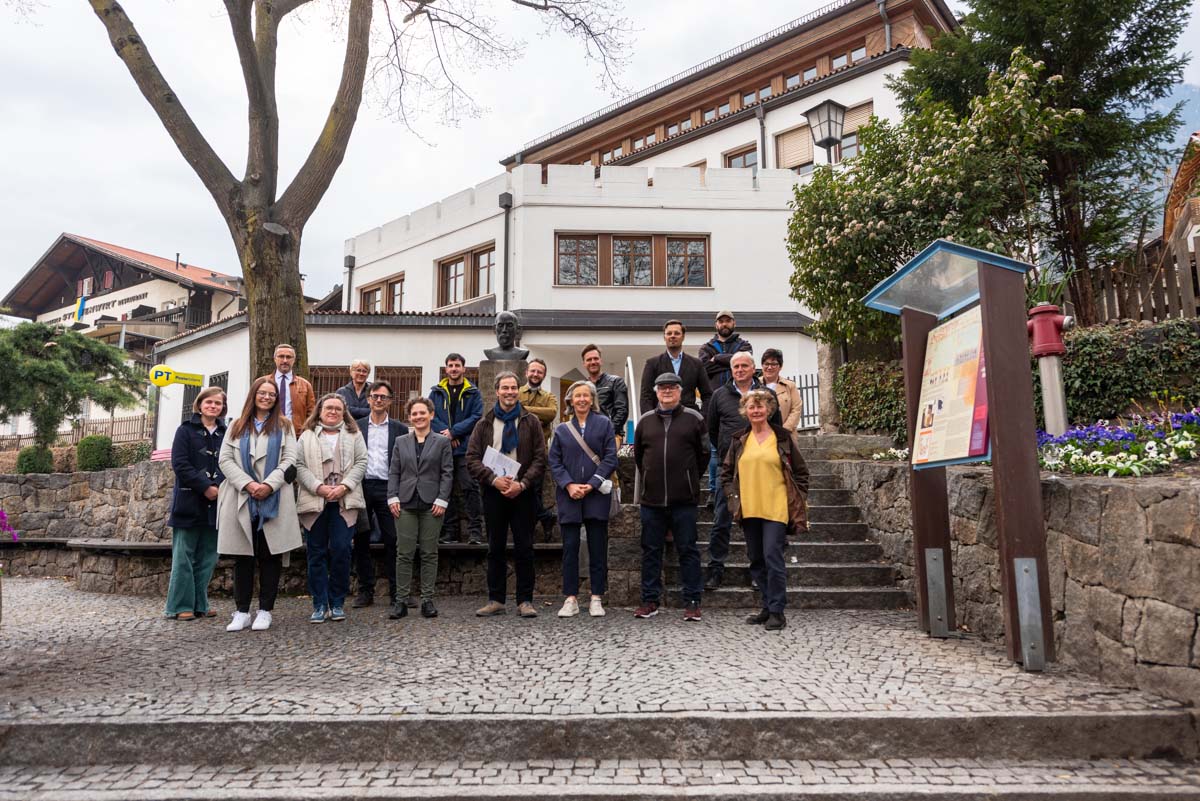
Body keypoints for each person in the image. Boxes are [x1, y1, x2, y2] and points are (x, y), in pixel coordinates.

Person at [720, 390, 809, 631]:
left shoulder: (782, 437)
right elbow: (726, 473)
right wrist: (732, 498)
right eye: (751, 407)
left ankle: (778, 611)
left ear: (769, 410)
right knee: (756, 559)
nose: (756, 411)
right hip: (749, 508)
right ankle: (767, 606)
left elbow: (801, 472)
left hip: (776, 507)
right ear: (745, 411)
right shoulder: (740, 440)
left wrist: (797, 497)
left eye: (760, 407)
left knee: (773, 557)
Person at [217, 377, 301, 632]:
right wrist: (249, 484)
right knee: (242, 556)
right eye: (262, 393)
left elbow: (290, 459)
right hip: (242, 497)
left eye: (272, 394)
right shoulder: (236, 426)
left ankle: (265, 610)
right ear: (253, 395)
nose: (267, 397)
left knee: (269, 555)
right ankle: (241, 611)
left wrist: (268, 485)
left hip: (273, 497)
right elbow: (225, 460)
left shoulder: (284, 426)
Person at [465, 371, 547, 618]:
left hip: (523, 493)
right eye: (505, 388)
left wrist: (522, 484)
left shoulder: (531, 421)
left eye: (513, 388)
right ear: (497, 390)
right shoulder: (484, 424)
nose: (510, 392)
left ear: (517, 390)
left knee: (525, 547)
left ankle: (525, 601)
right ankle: (496, 599)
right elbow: (471, 458)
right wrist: (493, 480)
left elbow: (540, 458)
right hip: (494, 493)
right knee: (495, 548)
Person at [633, 373, 708, 622]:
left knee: (688, 550)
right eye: (662, 388)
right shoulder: (644, 421)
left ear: (680, 390)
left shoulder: (694, 418)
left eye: (672, 387)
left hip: (684, 499)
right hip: (652, 500)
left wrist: (689, 478)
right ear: (655, 392)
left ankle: (693, 601)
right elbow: (639, 458)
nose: (667, 391)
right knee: (650, 551)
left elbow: (703, 455)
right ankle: (650, 600)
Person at [705, 352, 781, 591]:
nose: (739, 369)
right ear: (731, 369)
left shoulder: (766, 396)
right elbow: (712, 428)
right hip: (729, 467)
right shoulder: (719, 395)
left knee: (757, 520)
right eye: (735, 366)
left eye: (744, 366)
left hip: (760, 468)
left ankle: (758, 572)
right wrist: (729, 452)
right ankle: (716, 569)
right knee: (721, 519)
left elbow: (776, 428)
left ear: (753, 368)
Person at [295, 394, 368, 624]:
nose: (333, 411)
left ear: (344, 412)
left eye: (338, 408)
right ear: (320, 410)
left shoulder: (354, 435)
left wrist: (344, 486)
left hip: (344, 502)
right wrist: (319, 487)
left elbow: (362, 462)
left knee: (341, 549)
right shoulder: (306, 436)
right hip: (315, 501)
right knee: (315, 553)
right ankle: (319, 603)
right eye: (329, 408)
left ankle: (337, 602)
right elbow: (299, 465)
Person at [548, 380, 618, 618]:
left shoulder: (604, 424)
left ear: (592, 399)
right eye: (577, 395)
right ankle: (570, 598)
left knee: (597, 547)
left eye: (585, 395)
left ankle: (596, 597)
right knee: (570, 548)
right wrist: (568, 485)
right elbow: (554, 462)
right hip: (569, 496)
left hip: (595, 494)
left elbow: (610, 457)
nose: (581, 399)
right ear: (570, 400)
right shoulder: (561, 429)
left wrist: (593, 483)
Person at [387, 397, 454, 620]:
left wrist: (442, 499)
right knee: (403, 553)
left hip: (432, 504)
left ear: (431, 415)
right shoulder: (400, 441)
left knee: (429, 553)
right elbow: (394, 471)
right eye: (414, 414)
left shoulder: (442, 442)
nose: (418, 417)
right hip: (404, 503)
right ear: (410, 417)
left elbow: (447, 473)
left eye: (422, 413)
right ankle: (401, 601)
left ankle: (427, 600)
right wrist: (392, 497)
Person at [164, 386, 227, 621]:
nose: (213, 406)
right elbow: (180, 463)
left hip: (217, 503)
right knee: (184, 557)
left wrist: (219, 486)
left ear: (223, 408)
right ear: (199, 405)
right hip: (189, 501)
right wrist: (205, 487)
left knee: (209, 556)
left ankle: (201, 603)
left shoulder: (226, 433)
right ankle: (180, 606)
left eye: (218, 403)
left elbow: (231, 463)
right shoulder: (185, 431)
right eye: (209, 402)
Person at [351, 379, 409, 608]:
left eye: (383, 397)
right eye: (374, 396)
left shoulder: (399, 429)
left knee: (393, 540)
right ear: (368, 399)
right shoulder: (356, 426)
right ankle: (366, 591)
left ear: (390, 401)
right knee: (362, 539)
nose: (378, 400)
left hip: (389, 488)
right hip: (362, 486)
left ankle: (398, 592)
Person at [430, 353, 484, 544]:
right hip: (442, 448)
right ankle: (450, 532)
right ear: (446, 369)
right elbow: (431, 415)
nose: (454, 369)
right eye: (451, 365)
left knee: (470, 487)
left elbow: (477, 416)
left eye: (457, 365)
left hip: (465, 447)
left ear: (464, 368)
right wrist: (446, 435)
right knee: (446, 490)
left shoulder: (473, 392)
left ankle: (475, 532)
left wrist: (454, 433)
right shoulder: (436, 392)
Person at [698, 312, 752, 495]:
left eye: (728, 320)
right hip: (717, 402)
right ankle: (715, 492)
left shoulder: (744, 345)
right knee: (715, 451)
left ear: (734, 323)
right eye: (721, 321)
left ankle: (744, 487)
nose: (724, 324)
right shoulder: (706, 347)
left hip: (743, 400)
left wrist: (717, 359)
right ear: (716, 325)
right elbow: (704, 368)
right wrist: (730, 359)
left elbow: (746, 360)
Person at [518, 358, 559, 539]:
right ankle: (546, 517)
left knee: (535, 491)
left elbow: (551, 414)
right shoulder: (516, 392)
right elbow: (512, 412)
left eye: (539, 372)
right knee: (523, 491)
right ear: (527, 373)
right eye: (533, 371)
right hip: (517, 451)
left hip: (539, 452)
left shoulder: (549, 397)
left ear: (543, 375)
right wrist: (538, 417)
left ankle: (532, 527)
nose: (535, 374)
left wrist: (524, 410)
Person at [639, 320, 712, 414]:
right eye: (669, 333)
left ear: (683, 337)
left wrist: (702, 418)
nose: (672, 336)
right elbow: (646, 397)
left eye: (677, 333)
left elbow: (707, 395)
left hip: (689, 419)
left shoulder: (696, 364)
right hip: (661, 418)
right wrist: (650, 421)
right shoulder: (652, 364)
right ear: (664, 337)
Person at [260, 343, 316, 433]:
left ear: (294, 360)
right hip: (267, 432)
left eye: (288, 357)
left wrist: (306, 431)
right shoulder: (262, 383)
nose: (285, 360)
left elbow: (311, 413)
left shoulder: (305, 385)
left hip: (295, 434)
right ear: (275, 359)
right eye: (281, 356)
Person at [581, 344, 628, 441]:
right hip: (587, 436)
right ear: (584, 364)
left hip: (612, 435)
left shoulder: (616, 382)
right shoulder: (582, 387)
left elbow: (622, 411)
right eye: (589, 360)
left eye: (596, 358)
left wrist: (608, 432)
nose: (593, 362)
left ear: (601, 361)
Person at [760, 349, 802, 431]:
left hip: (785, 434)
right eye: (766, 364)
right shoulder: (755, 384)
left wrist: (784, 430)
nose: (769, 367)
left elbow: (796, 409)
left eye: (774, 364)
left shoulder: (790, 386)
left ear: (780, 367)